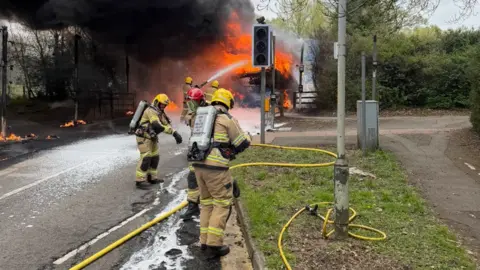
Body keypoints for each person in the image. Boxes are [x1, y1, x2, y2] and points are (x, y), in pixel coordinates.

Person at [192, 88, 251, 257]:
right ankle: (214, 245)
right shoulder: (226, 119)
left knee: (206, 203)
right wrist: (248, 138)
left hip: (198, 166)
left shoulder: (200, 117)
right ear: (227, 103)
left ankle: (204, 241)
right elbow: (241, 143)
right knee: (222, 202)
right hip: (216, 168)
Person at [134, 93, 183, 190]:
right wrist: (172, 133)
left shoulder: (160, 113)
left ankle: (152, 178)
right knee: (146, 157)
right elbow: (157, 125)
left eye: (164, 105)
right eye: (161, 104)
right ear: (156, 102)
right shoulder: (150, 111)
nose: (163, 106)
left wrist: (175, 133)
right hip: (143, 137)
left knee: (155, 157)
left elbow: (166, 124)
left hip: (152, 138)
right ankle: (139, 180)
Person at [180, 88, 208, 220]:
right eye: (189, 102)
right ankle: (193, 206)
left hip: (206, 149)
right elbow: (188, 121)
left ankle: (203, 206)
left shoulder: (209, 111)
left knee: (208, 177)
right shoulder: (192, 112)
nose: (190, 104)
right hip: (195, 149)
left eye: (193, 101)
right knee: (192, 177)